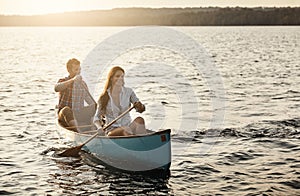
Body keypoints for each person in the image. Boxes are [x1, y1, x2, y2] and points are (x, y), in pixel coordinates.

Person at [94, 66, 146, 136]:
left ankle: (142, 141)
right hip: (112, 131)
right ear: (111, 78)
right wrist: (99, 127)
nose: (120, 78)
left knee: (140, 120)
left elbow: (141, 110)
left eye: (122, 76)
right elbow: (96, 117)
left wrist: (140, 106)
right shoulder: (104, 97)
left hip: (128, 127)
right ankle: (134, 142)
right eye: (117, 76)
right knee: (125, 129)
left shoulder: (129, 92)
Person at [55, 58, 96, 132]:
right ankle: (78, 131)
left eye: (79, 69)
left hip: (78, 114)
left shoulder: (83, 84)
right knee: (66, 110)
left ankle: (94, 128)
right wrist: (73, 80)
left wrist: (98, 109)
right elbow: (56, 88)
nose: (79, 72)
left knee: (96, 106)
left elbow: (90, 101)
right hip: (65, 114)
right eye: (76, 70)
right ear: (69, 70)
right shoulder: (63, 81)